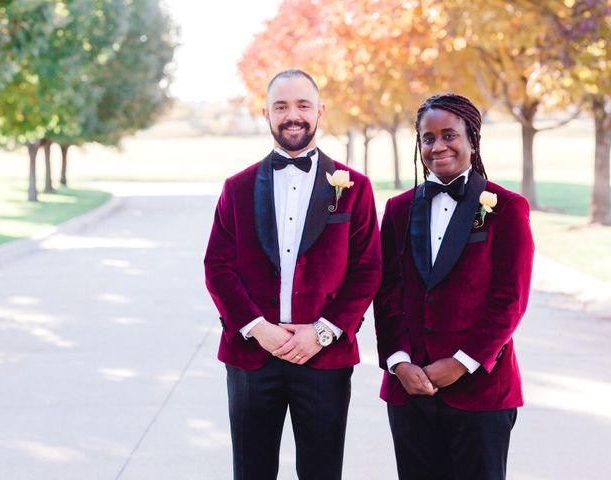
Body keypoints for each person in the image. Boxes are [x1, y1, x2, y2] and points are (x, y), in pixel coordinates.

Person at [204, 69, 382, 480]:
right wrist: (257, 328)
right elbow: (218, 266)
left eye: (303, 105)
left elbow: (368, 269)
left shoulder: (354, 187)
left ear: (320, 111)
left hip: (324, 358)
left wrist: (321, 332)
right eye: (281, 106)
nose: (293, 115)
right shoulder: (237, 188)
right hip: (252, 358)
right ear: (265, 113)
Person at [374, 93, 534, 480]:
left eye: (449, 135)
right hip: (409, 388)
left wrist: (462, 362)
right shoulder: (398, 209)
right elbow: (386, 292)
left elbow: (509, 300)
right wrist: (398, 362)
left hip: (481, 391)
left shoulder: (507, 208)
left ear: (472, 140)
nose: (438, 146)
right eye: (428, 139)